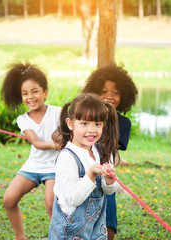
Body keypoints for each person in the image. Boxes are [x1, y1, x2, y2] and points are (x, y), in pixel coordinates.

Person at [1, 62, 61, 240]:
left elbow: (68, 132)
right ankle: (21, 237)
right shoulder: (23, 119)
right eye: (25, 93)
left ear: (45, 92)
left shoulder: (58, 113)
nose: (30, 97)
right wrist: (55, 144)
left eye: (35, 91)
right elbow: (36, 142)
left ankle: (57, 237)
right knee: (8, 200)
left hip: (55, 166)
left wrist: (63, 137)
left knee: (51, 205)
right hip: (34, 165)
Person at [49, 93, 120, 239]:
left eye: (98, 124)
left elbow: (108, 190)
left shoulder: (102, 152)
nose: (92, 130)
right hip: (70, 230)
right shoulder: (67, 157)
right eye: (84, 123)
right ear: (70, 124)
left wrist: (110, 180)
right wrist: (91, 175)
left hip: (96, 226)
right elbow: (73, 199)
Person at [82, 63, 138, 239]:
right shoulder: (83, 119)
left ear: (124, 96)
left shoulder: (123, 123)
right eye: (104, 91)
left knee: (109, 225)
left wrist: (106, 117)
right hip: (83, 175)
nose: (109, 97)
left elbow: (111, 145)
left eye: (115, 93)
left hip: (106, 178)